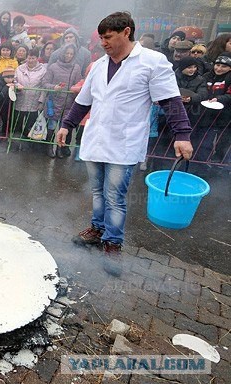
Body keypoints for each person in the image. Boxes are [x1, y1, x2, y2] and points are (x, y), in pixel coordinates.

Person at [56, 12, 193, 276]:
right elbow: (83, 101)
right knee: (97, 192)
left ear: (126, 32)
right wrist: (66, 125)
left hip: (124, 144)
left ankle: (113, 244)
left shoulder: (152, 62)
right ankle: (97, 230)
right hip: (96, 140)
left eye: (108, 37)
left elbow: (170, 101)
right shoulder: (98, 66)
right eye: (101, 38)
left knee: (114, 197)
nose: (103, 43)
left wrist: (183, 135)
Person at [42, 43, 82, 158]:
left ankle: (60, 148)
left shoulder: (76, 68)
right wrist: (54, 87)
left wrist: (74, 89)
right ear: (62, 53)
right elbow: (45, 83)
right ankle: (49, 147)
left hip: (68, 104)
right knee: (51, 127)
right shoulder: (53, 67)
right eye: (67, 53)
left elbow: (78, 83)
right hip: (54, 103)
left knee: (63, 129)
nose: (68, 56)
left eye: (71, 54)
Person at [12, 47, 46, 141]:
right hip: (20, 100)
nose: (30, 60)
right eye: (29, 58)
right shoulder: (19, 68)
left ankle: (28, 144)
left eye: (33, 58)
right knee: (17, 123)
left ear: (37, 58)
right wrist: (17, 85)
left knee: (30, 125)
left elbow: (44, 87)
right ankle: (16, 142)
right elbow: (14, 80)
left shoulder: (43, 70)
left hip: (34, 102)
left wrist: (41, 101)